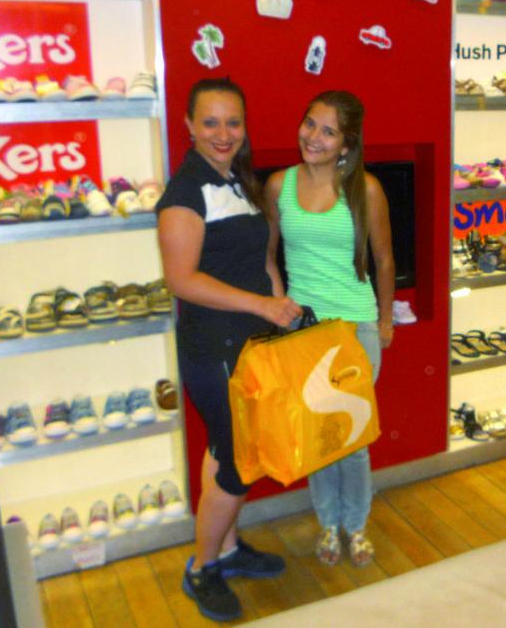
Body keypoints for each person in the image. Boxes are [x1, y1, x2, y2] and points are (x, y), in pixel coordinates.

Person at [156, 77, 302, 622]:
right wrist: (261, 306)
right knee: (238, 462)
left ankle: (230, 549)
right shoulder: (185, 193)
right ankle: (202, 568)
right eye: (211, 122)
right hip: (213, 347)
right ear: (189, 125)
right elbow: (181, 279)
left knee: (224, 450)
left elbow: (261, 258)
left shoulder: (237, 180)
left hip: (251, 342)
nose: (224, 134)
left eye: (233, 122)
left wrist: (278, 308)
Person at [265, 90, 395, 568]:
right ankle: (328, 523)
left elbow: (384, 260)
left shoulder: (367, 190)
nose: (313, 137)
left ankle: (355, 526)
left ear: (346, 143)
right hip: (306, 331)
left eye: (328, 131)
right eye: (310, 124)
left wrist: (385, 321)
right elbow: (267, 254)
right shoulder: (279, 185)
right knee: (320, 436)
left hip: (356, 328)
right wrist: (281, 302)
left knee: (353, 439)